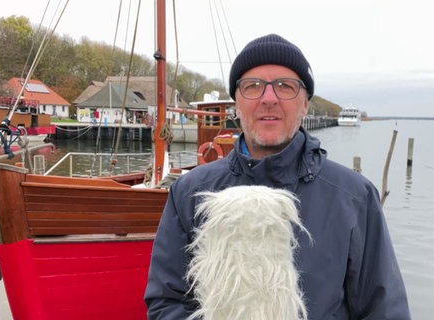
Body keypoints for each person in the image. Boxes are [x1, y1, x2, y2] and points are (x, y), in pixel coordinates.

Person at [145, 33, 411, 319]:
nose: (268, 98)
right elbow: (166, 302)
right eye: (253, 86)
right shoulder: (190, 193)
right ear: (236, 101)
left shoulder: (355, 197)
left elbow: (384, 310)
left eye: (285, 86)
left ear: (305, 103)